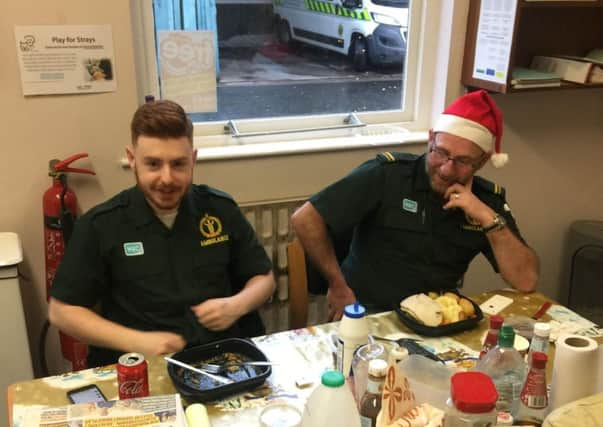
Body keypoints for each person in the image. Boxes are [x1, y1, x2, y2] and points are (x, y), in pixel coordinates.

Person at [49, 100, 275, 367]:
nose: (166, 179)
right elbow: (62, 312)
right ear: (132, 159)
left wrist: (235, 305)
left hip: (222, 358)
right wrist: (138, 341)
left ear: (193, 159)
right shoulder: (100, 225)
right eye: (153, 164)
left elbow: (264, 278)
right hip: (140, 364)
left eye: (178, 164)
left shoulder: (219, 208)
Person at [291, 90, 539, 320]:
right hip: (370, 311)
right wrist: (338, 285)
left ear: (483, 160)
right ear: (431, 139)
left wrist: (486, 217)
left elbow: (526, 280)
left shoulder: (487, 200)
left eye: (463, 161)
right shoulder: (387, 175)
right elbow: (305, 218)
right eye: (440, 152)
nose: (446, 168)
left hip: (435, 318)